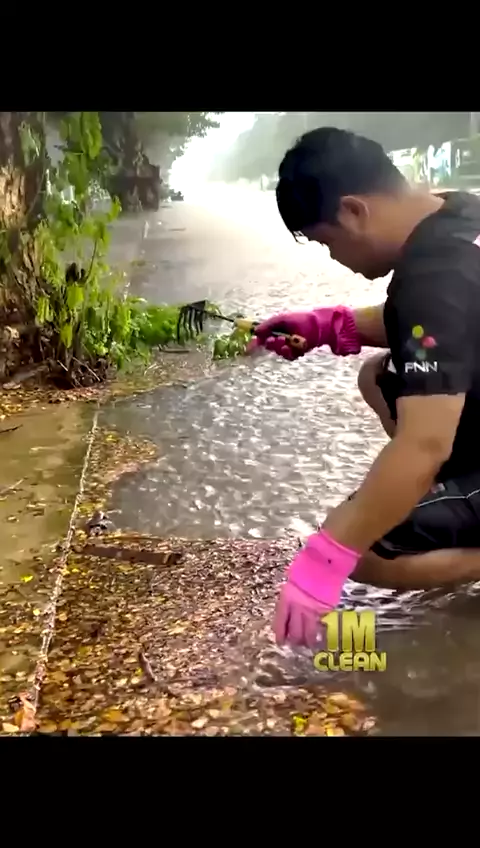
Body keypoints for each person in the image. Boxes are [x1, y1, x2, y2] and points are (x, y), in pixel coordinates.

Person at [253, 127, 480, 649]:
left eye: (328, 242)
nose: (336, 258)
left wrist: (326, 557)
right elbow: (438, 323)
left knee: (368, 547)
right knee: (379, 375)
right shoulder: (458, 212)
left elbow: (425, 443)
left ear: (354, 211)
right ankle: (452, 496)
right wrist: (327, 325)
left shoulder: (432, 278)